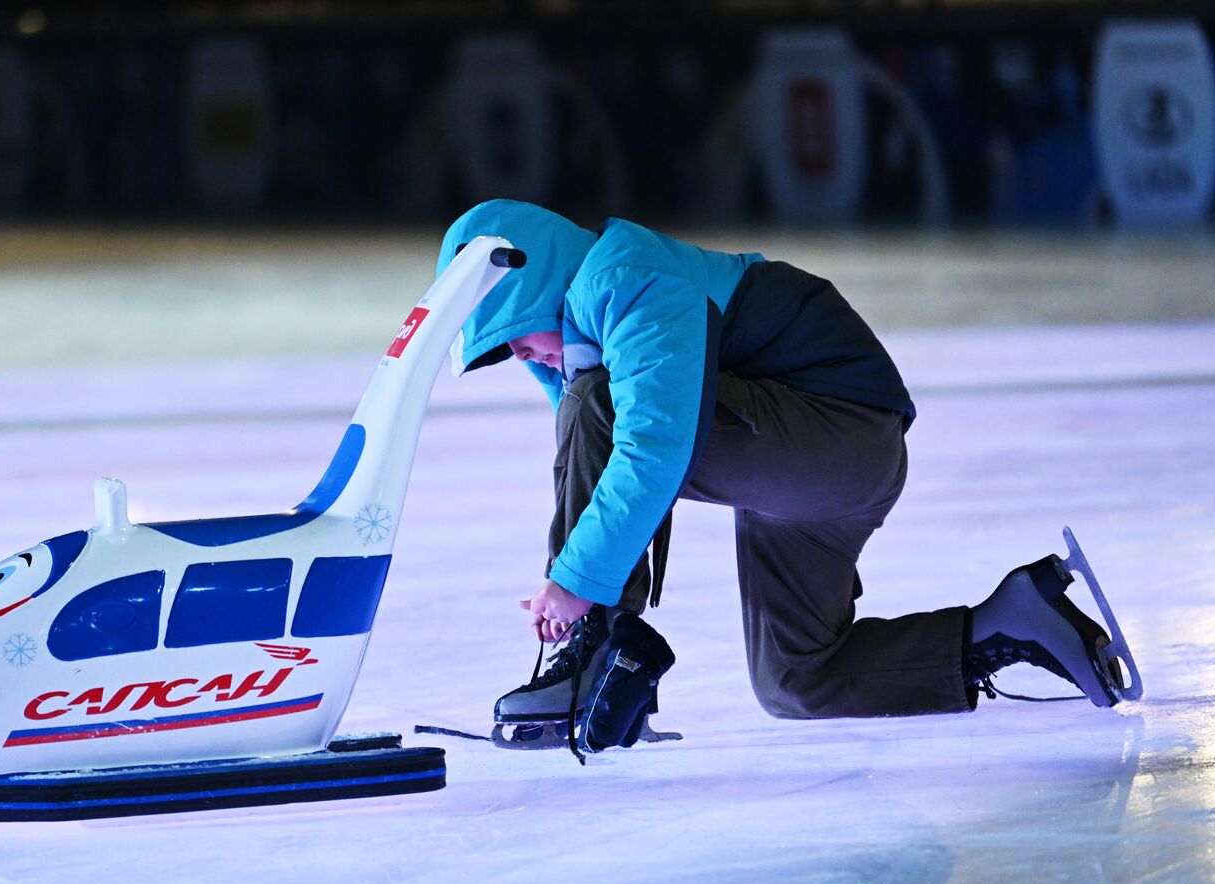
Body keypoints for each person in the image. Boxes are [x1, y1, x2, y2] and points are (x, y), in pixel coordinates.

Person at [439, 199, 1132, 755]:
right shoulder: (599, 319)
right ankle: (1011, 622)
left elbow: (651, 444)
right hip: (813, 464)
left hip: (837, 433)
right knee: (796, 677)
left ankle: (595, 659)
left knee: (601, 404)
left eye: (515, 337)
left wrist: (576, 585)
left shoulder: (622, 274)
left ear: (531, 284)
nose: (524, 355)